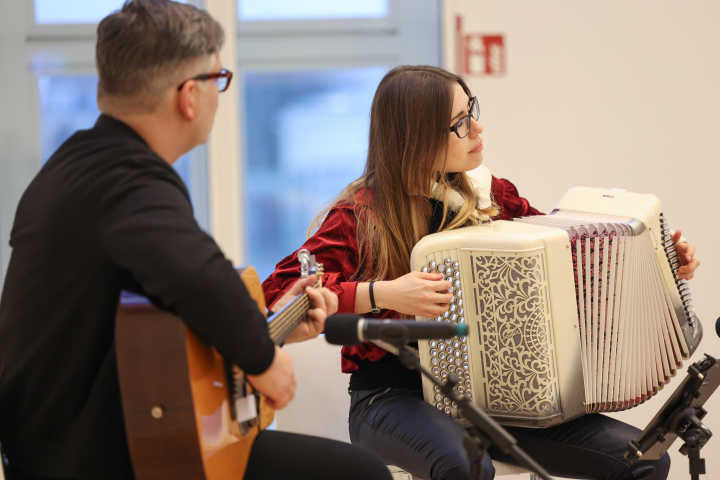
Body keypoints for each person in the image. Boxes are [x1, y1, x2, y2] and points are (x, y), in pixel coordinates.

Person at [0, 1, 392, 480]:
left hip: (79, 443)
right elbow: (199, 277)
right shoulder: (128, 179)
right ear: (189, 95)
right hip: (93, 459)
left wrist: (276, 325)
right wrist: (264, 357)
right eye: (219, 78)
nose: (219, 93)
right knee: (360, 475)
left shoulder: (76, 167)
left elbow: (164, 320)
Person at [262, 65, 701, 480]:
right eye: (460, 123)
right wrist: (382, 293)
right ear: (415, 138)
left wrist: (661, 264)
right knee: (466, 470)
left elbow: (568, 262)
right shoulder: (358, 217)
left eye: (472, 111)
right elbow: (279, 294)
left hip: (501, 400)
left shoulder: (494, 197)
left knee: (643, 461)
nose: (477, 128)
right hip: (393, 398)